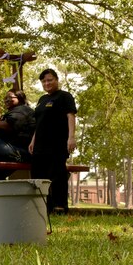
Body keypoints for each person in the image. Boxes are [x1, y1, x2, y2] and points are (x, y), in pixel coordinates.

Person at [29, 69, 77, 213]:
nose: (47, 83)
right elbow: (39, 123)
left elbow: (71, 117)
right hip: (39, 145)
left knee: (57, 175)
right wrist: (33, 141)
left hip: (57, 144)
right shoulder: (42, 100)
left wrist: (71, 137)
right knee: (38, 176)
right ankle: (43, 207)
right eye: (44, 81)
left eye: (50, 80)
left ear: (56, 80)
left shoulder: (64, 96)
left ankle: (60, 206)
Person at [0, 90, 35, 163]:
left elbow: (7, 125)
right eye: (5, 98)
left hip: (21, 151)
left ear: (20, 98)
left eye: (9, 97)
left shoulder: (23, 110)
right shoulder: (12, 112)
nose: (6, 100)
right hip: (8, 146)